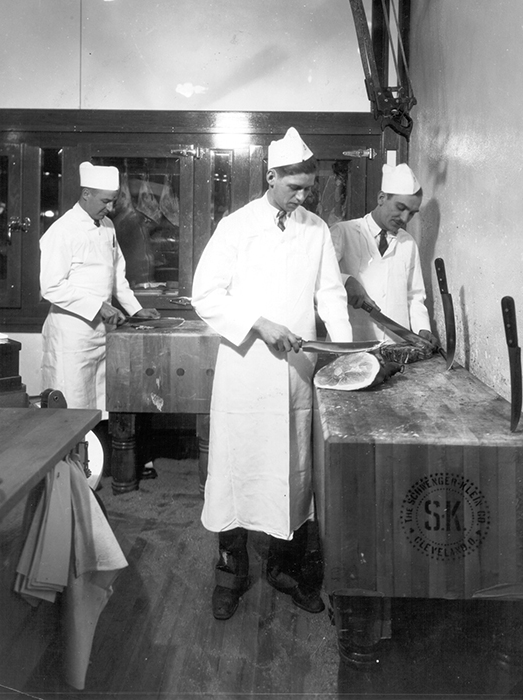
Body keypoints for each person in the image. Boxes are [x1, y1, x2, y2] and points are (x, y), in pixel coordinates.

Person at [191, 127, 352, 621]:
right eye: (293, 187)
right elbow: (206, 295)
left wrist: (343, 353)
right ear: (271, 176)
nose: (302, 197)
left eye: (308, 188)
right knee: (238, 472)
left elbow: (331, 296)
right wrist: (258, 324)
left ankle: (282, 568)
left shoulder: (316, 229)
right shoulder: (236, 227)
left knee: (292, 471)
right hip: (245, 372)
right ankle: (230, 573)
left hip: (295, 375)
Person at [40, 161, 159, 412]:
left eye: (113, 200)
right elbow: (50, 287)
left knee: (101, 405)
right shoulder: (62, 231)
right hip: (71, 337)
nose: (111, 207)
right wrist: (98, 306)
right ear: (86, 194)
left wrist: (134, 309)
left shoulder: (107, 227)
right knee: (72, 408)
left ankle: (97, 453)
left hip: (101, 334)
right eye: (105, 201)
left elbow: (117, 274)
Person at [330, 163, 438, 351]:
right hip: (354, 344)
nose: (404, 219)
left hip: (397, 347)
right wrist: (346, 281)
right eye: (400, 207)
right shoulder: (343, 232)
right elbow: (320, 280)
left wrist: (422, 329)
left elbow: (415, 296)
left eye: (412, 213)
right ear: (381, 198)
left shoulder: (408, 243)